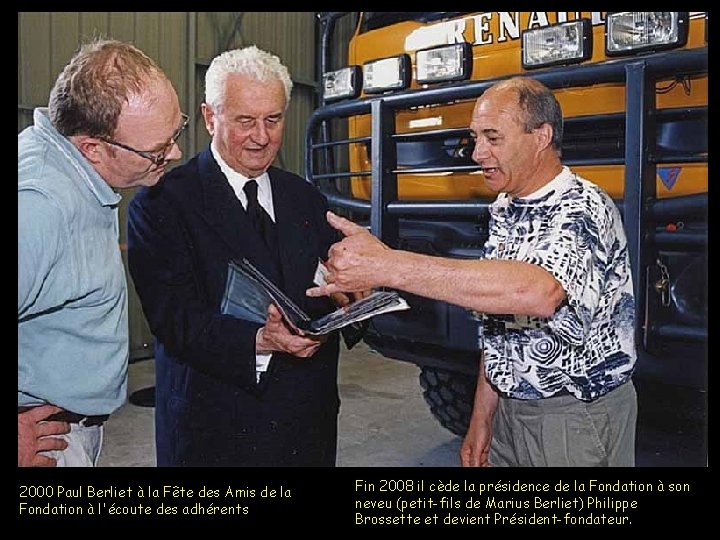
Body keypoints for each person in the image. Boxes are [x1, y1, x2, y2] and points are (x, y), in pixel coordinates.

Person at [308, 76, 638, 467]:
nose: (478, 152)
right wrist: (481, 418)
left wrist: (390, 265)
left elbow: (537, 294)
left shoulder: (580, 207)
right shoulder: (505, 208)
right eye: (475, 137)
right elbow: (501, 324)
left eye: (493, 138)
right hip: (509, 412)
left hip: (571, 416)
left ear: (541, 136)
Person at [127, 46, 347, 467]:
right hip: (217, 433)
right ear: (210, 117)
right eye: (246, 121)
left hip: (308, 429)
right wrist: (258, 340)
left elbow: (328, 284)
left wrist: (353, 296)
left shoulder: (304, 197)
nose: (261, 137)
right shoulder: (162, 205)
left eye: (273, 120)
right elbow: (175, 320)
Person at [18, 39, 186, 466]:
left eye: (176, 132)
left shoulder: (74, 171)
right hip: (44, 439)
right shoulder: (40, 205)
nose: (176, 153)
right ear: (93, 147)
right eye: (157, 150)